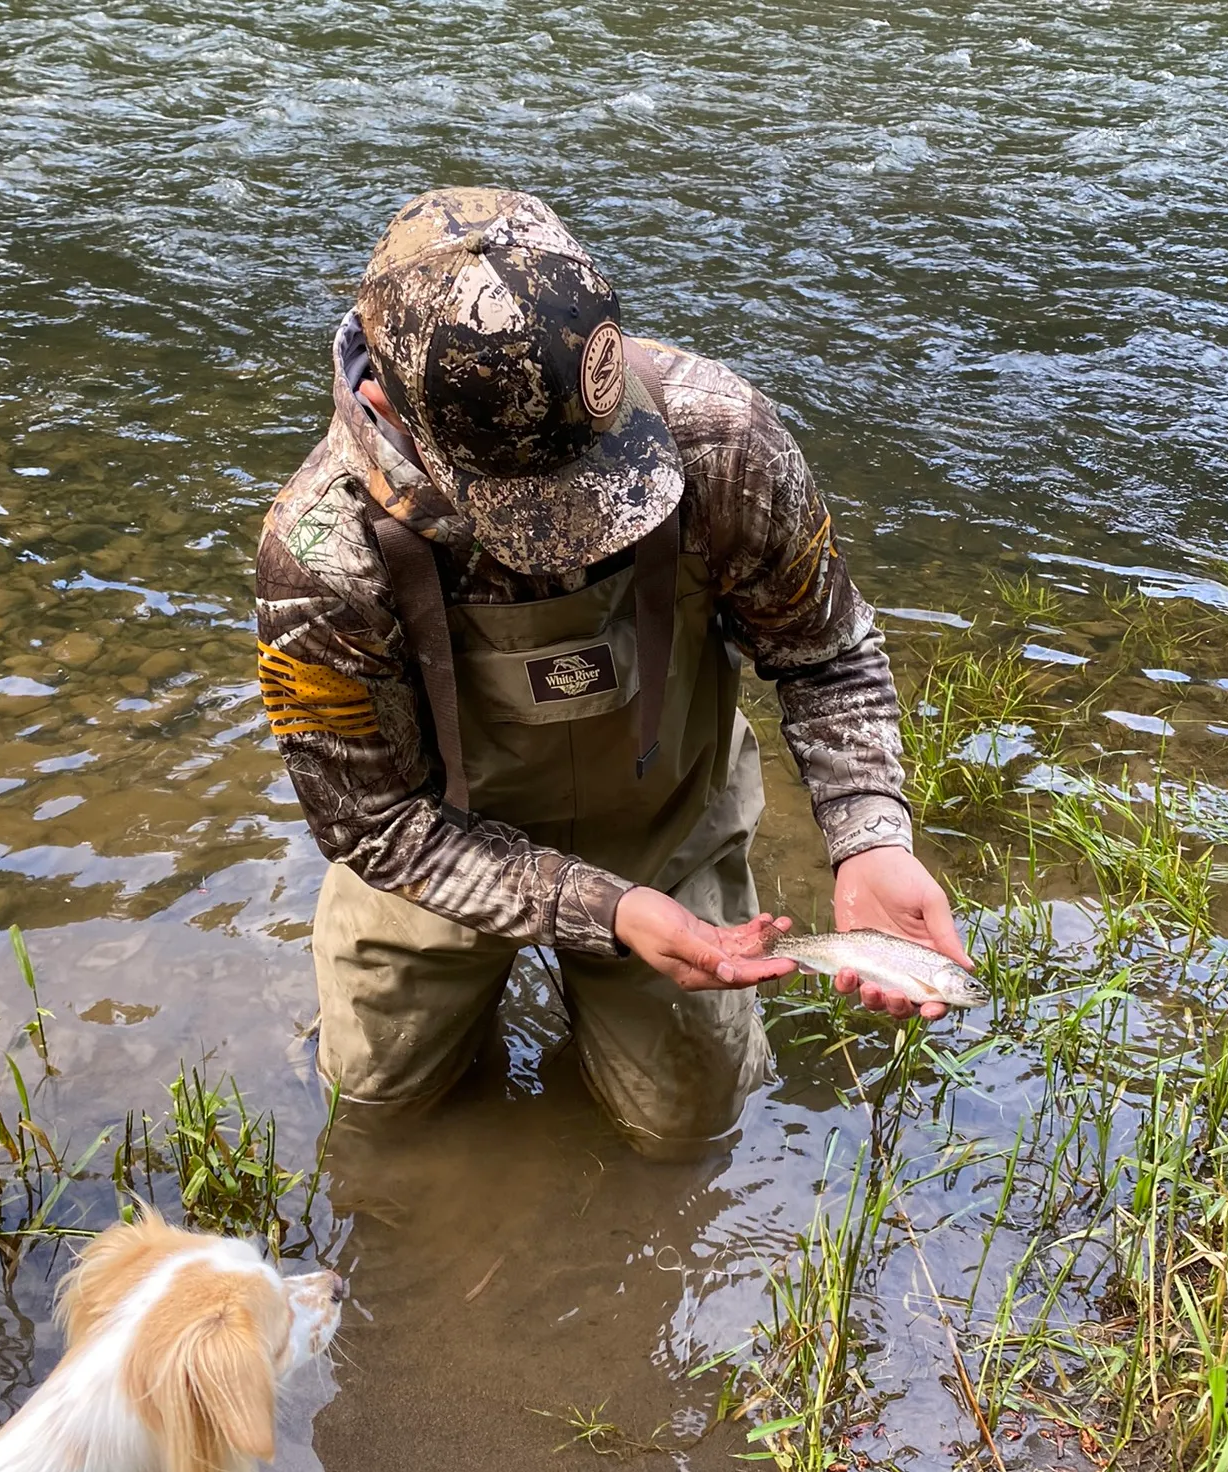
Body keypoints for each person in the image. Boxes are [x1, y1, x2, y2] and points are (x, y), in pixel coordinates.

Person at [256, 187, 972, 1160]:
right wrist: (603, 911)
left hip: (665, 833)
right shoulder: (321, 548)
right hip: (431, 866)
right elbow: (370, 822)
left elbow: (828, 651)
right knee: (381, 1117)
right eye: (526, 506)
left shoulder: (724, 440)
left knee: (687, 1132)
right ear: (384, 405)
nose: (567, 538)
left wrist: (868, 835)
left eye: (594, 478)